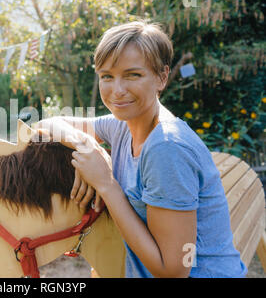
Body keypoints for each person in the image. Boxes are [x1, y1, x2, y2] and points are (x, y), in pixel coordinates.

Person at [34, 21, 247, 278]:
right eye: (107, 76)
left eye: (133, 75)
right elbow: (48, 123)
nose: (118, 90)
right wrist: (87, 145)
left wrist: (106, 184)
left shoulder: (166, 148)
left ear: (162, 77)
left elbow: (174, 270)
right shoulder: (123, 126)